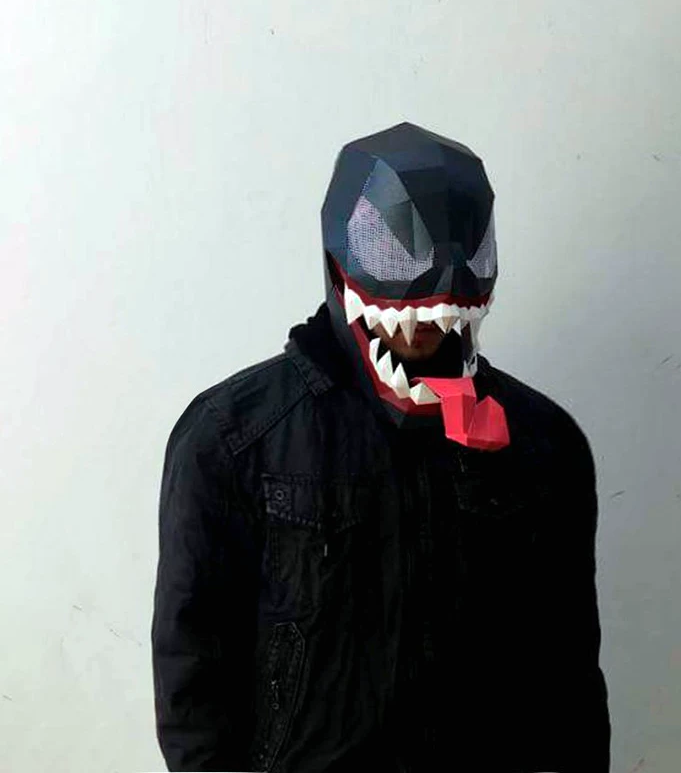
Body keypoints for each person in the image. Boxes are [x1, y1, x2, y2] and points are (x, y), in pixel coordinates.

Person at [151, 121, 611, 772]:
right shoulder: (234, 438)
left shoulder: (542, 443)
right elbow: (195, 665)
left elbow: (564, 664)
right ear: (340, 264)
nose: (427, 317)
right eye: (397, 258)